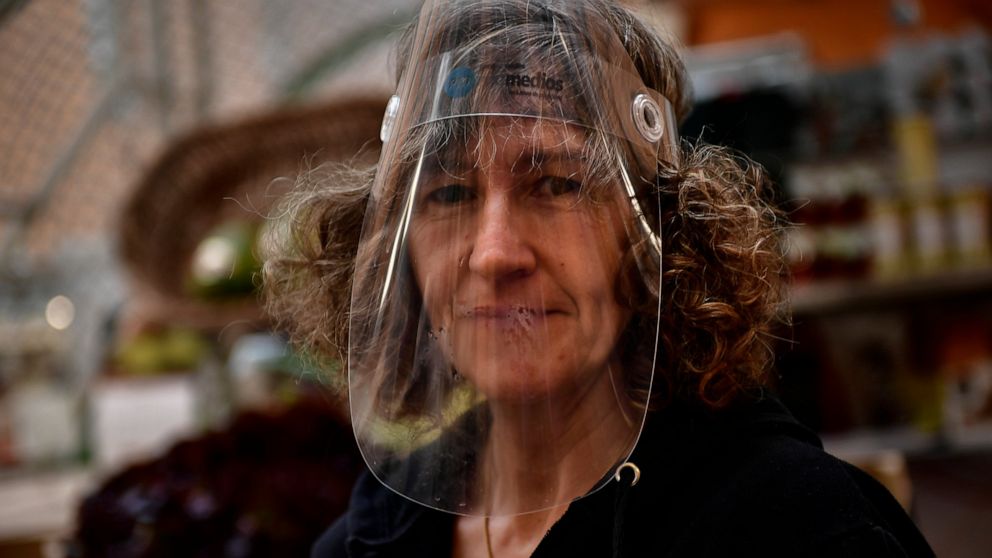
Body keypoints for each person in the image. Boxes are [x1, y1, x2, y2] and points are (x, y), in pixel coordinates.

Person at [263, 1, 934, 556]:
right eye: (449, 193)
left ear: (664, 233)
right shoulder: (366, 542)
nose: (493, 254)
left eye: (557, 185)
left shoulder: (795, 530)